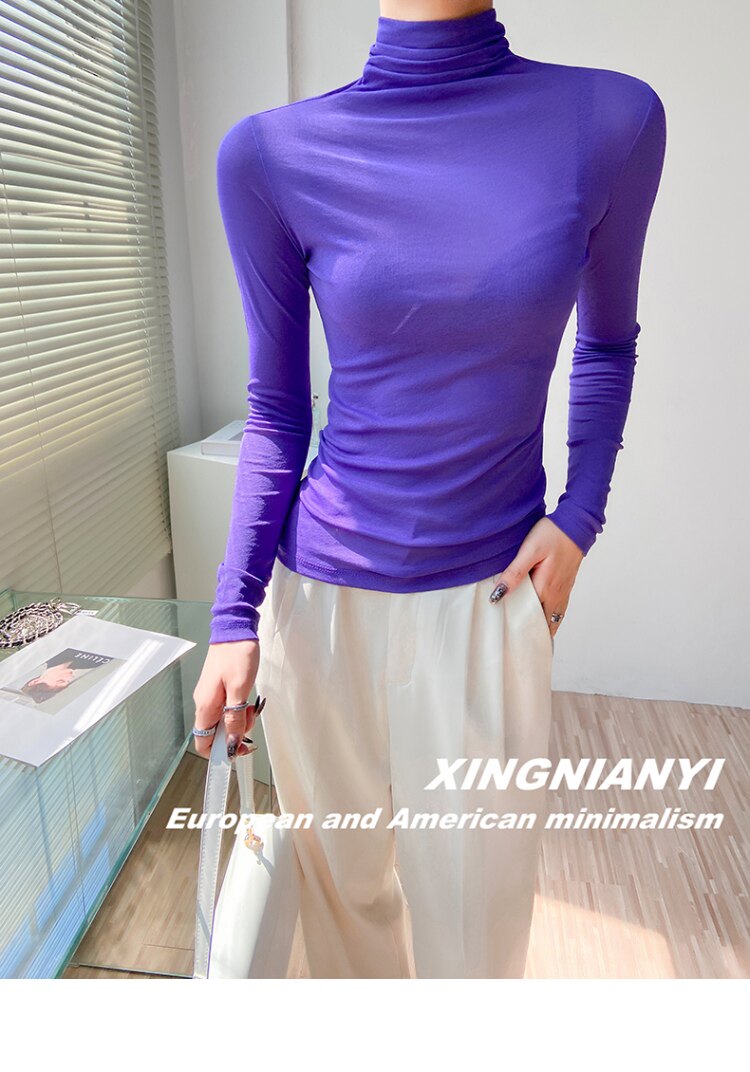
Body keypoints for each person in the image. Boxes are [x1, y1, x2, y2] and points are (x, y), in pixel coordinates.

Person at [192, 0, 667, 978]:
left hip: (488, 600)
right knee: (343, 915)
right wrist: (234, 617)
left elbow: (608, 345)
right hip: (320, 606)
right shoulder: (271, 156)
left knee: (477, 931)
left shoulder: (609, 123)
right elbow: (276, 411)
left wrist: (579, 519)